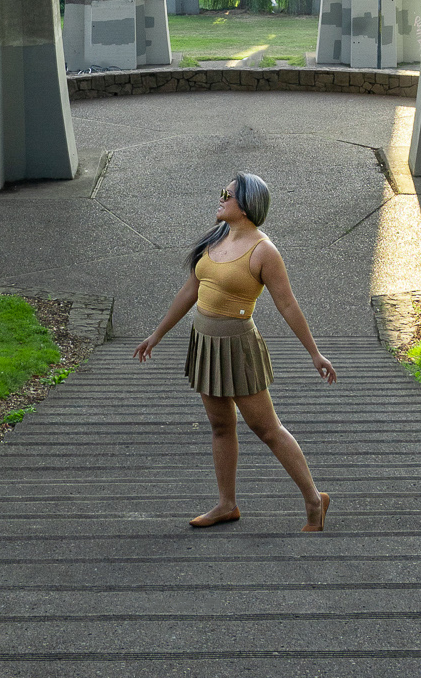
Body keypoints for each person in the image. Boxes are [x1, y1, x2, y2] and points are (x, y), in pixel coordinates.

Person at [133, 170, 336, 532]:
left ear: (246, 205)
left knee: (267, 429)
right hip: (205, 344)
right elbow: (189, 291)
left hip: (239, 349)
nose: (220, 198)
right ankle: (227, 504)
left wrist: (315, 354)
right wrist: (156, 335)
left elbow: (287, 305)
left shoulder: (264, 252)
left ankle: (313, 498)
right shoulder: (215, 238)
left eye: (226, 195)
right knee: (220, 425)